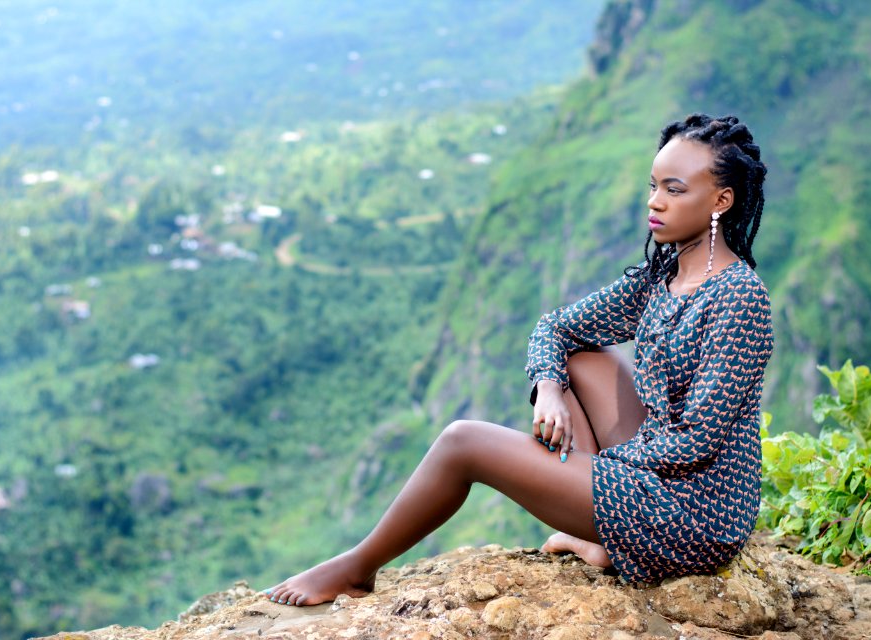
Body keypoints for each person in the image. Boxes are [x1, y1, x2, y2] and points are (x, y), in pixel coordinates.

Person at [264, 113, 774, 606]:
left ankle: (356, 569)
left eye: (675, 190)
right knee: (580, 356)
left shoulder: (738, 298)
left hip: (695, 515)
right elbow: (554, 328)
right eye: (653, 186)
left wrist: (592, 468)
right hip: (658, 477)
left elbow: (696, 440)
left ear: (721, 201)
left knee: (463, 442)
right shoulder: (660, 278)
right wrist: (548, 387)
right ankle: (604, 542)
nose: (654, 203)